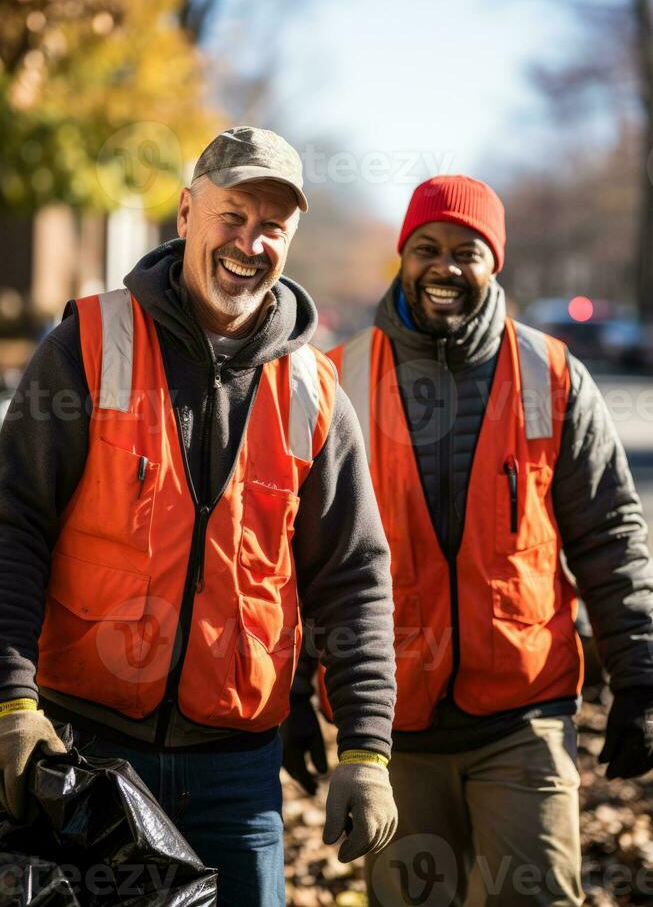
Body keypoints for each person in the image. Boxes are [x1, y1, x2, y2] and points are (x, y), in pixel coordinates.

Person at [0, 127, 398, 906]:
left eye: (272, 226)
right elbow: (15, 526)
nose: (250, 242)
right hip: (83, 749)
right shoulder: (87, 344)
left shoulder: (314, 392)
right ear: (185, 213)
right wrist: (12, 701)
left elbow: (352, 576)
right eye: (233, 214)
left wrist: (367, 749)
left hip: (237, 774)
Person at [284, 175, 653, 906]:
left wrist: (639, 675)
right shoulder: (336, 380)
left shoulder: (551, 376)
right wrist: (292, 692)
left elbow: (608, 532)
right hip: (388, 729)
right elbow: (297, 555)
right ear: (402, 256)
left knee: (537, 897)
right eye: (425, 248)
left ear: (495, 264)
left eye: (467, 250)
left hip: (523, 717)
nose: (443, 267)